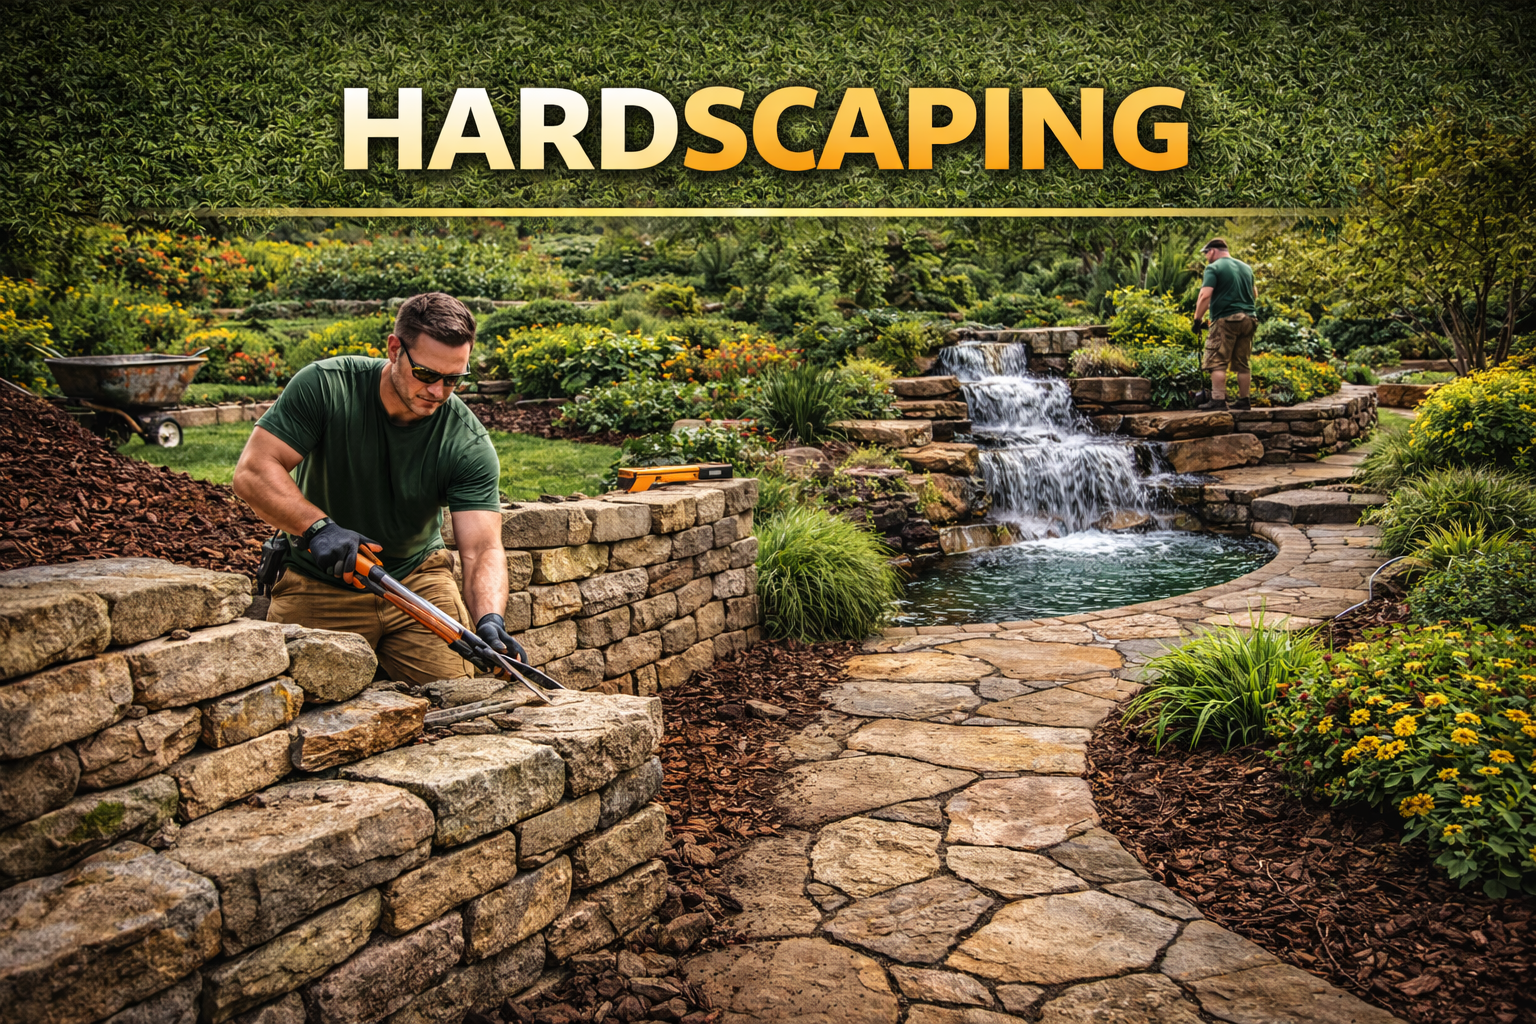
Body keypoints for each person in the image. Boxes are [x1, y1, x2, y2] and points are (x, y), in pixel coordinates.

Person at [232, 292, 521, 685]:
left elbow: (481, 548)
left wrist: (489, 618)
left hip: (416, 583)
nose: (438, 392)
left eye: (453, 379)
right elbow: (253, 471)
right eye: (427, 375)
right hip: (319, 583)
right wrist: (318, 528)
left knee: (458, 697)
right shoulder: (327, 386)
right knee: (297, 702)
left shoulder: (466, 442)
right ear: (394, 349)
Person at [1190, 238, 1258, 411]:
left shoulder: (1213, 268)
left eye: (1206, 253)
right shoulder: (1246, 268)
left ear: (1212, 251)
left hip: (1226, 319)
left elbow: (1205, 296)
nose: (1206, 257)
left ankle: (1218, 400)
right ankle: (1244, 400)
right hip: (1249, 319)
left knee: (1217, 361)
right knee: (1242, 363)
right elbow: (1254, 294)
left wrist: (1197, 319)